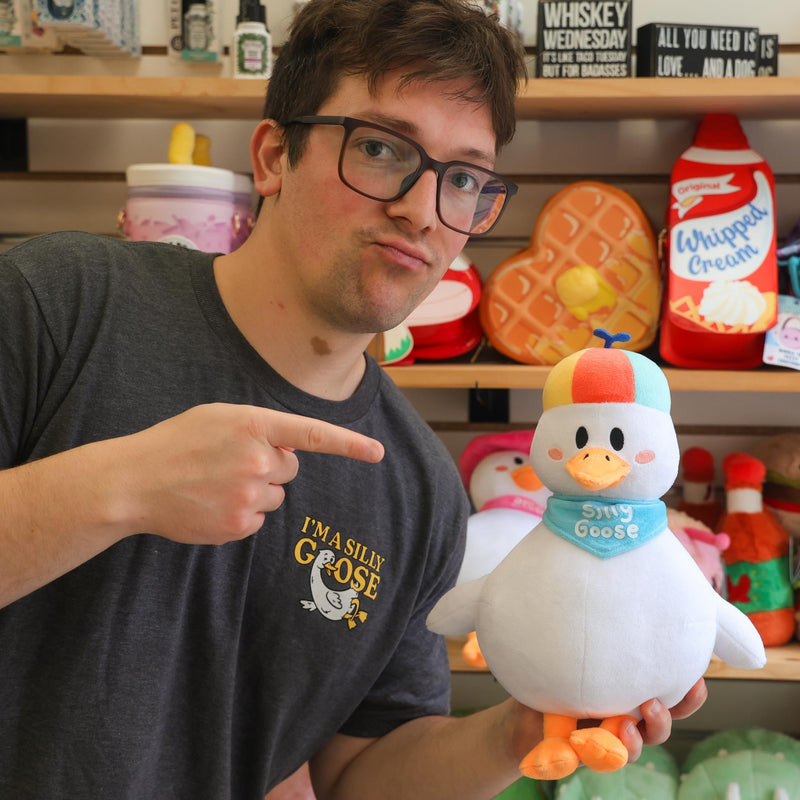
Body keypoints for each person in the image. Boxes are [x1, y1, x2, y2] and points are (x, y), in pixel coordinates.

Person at [0, 1, 706, 797]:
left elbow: (359, 774)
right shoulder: (60, 300)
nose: (420, 208)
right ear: (272, 157)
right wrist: (115, 488)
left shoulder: (419, 490)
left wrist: (523, 725)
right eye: (379, 148)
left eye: (464, 179)